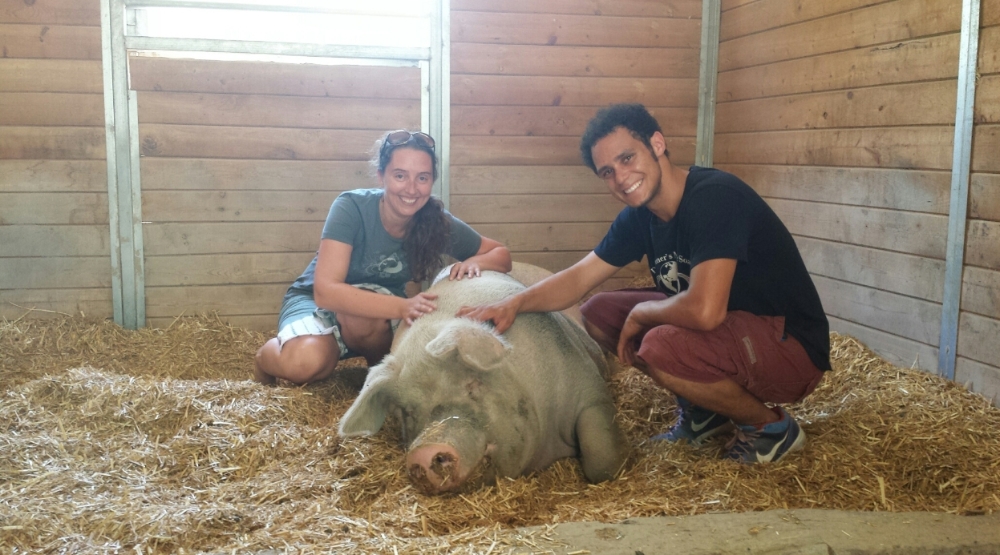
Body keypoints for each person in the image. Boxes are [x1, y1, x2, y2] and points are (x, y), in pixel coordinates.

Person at [457, 104, 831, 464]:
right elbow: (580, 278)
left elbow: (705, 309)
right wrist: (514, 303)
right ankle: (706, 415)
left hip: (790, 348)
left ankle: (770, 427)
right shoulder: (640, 217)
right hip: (734, 332)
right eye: (606, 171)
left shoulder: (714, 197)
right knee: (599, 313)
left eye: (627, 158)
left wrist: (642, 312)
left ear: (656, 144)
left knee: (659, 345)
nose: (620, 178)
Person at [255, 129, 512, 385]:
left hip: (378, 317)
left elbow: (500, 254)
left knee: (413, 363)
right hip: (315, 301)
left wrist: (472, 262)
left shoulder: (435, 220)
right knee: (306, 363)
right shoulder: (351, 207)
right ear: (381, 176)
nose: (411, 189)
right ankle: (266, 358)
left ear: (432, 181)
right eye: (400, 176)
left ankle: (378, 378)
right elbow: (326, 292)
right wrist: (404, 307)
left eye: (422, 178)